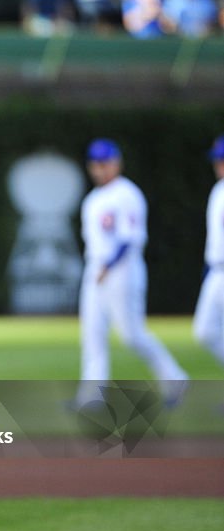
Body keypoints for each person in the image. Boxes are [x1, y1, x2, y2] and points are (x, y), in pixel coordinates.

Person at [75, 138, 188, 408]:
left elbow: (131, 238)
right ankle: (92, 396)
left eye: (105, 163)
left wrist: (108, 266)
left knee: (131, 334)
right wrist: (99, 268)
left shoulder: (127, 194)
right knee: (92, 333)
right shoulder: (93, 199)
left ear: (116, 163)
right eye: (96, 164)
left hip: (122, 269)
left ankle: (175, 379)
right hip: (96, 269)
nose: (100, 169)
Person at [193, 136, 224, 369]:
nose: (219, 165)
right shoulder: (218, 190)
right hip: (216, 271)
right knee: (204, 332)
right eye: (217, 160)